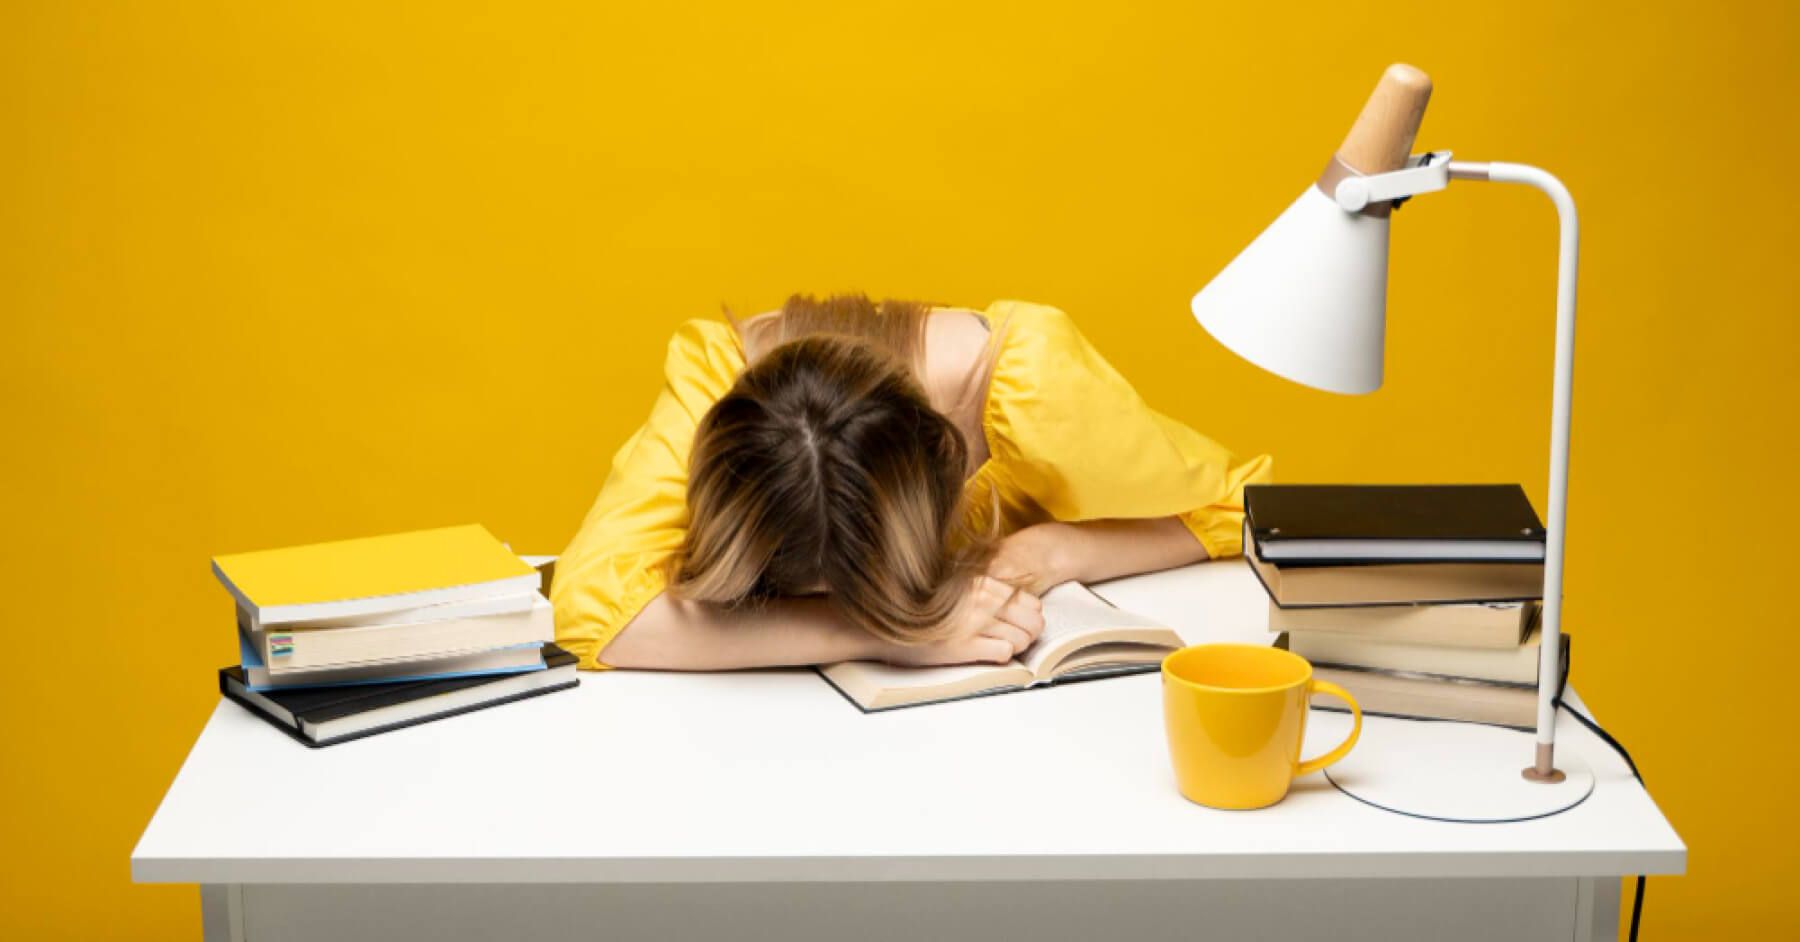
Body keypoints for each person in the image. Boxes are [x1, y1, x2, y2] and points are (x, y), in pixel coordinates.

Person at [551, 294, 1271, 671]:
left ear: (943, 466)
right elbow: (590, 615)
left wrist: (1055, 551)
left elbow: (1241, 507)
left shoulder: (1035, 389)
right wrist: (893, 633)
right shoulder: (713, 381)